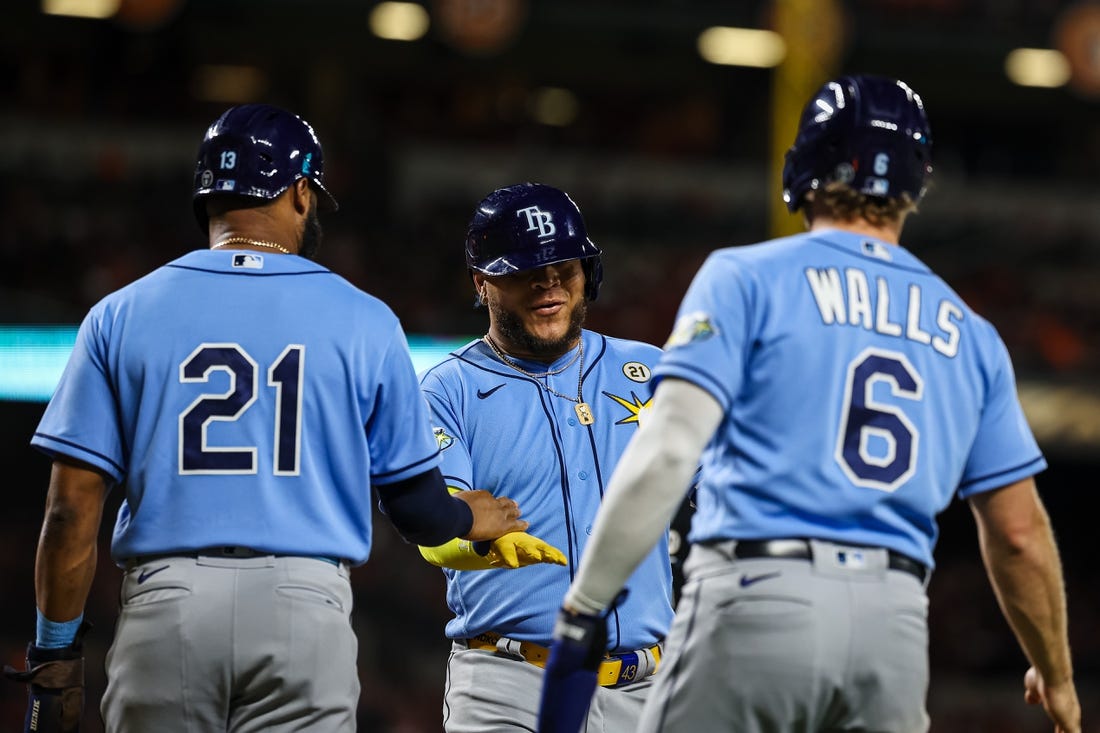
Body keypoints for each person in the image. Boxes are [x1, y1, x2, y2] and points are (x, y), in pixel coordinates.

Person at [538, 75, 1082, 733]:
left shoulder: (745, 276)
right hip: (896, 629)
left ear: (806, 167)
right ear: (916, 181)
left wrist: (584, 605)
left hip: (759, 595)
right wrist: (1054, 672)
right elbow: (1020, 533)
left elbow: (669, 450)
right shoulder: (973, 334)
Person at [2, 103, 527, 733]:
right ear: (301, 191)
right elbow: (417, 510)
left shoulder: (121, 313)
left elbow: (68, 512)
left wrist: (54, 656)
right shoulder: (363, 318)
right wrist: (472, 514)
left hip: (165, 604)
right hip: (303, 605)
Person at [415, 182, 679, 733]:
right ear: (481, 283)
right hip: (508, 684)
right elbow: (434, 521)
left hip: (648, 691)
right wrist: (474, 541)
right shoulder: (448, 388)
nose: (548, 285)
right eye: (524, 271)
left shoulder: (653, 371)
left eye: (563, 268)